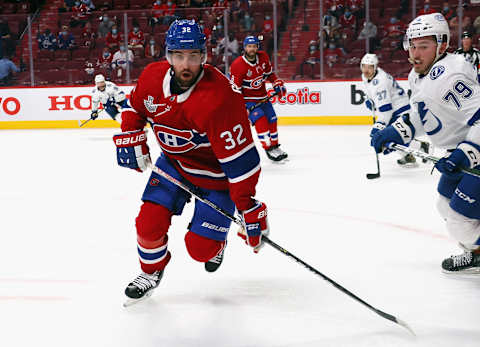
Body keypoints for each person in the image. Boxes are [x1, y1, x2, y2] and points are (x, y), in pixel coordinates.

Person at [112, 19, 269, 305]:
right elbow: (135, 108)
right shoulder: (151, 78)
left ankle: (216, 245)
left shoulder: (221, 98)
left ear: (204, 56)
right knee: (147, 225)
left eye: (193, 56)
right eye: (179, 56)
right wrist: (131, 133)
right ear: (168, 56)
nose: (186, 64)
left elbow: (241, 163)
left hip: (217, 179)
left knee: (200, 250)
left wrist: (247, 206)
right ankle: (150, 273)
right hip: (173, 166)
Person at [371, 13, 480, 273]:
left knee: (459, 216)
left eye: (424, 46)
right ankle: (476, 252)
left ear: (441, 45)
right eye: (413, 45)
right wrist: (397, 131)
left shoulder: (450, 76)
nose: (415, 53)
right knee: (445, 204)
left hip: (474, 153)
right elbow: (423, 115)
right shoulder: (417, 75)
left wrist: (466, 154)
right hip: (461, 152)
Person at [360, 53, 427, 167]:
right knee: (390, 137)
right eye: (364, 66)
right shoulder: (367, 76)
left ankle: (418, 148)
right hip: (394, 108)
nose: (366, 70)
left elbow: (386, 112)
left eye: (369, 67)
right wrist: (369, 99)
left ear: (375, 67)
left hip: (399, 110)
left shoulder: (380, 82)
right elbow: (370, 90)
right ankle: (415, 150)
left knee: (390, 136)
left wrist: (378, 126)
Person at [229, 35, 288, 162]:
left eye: (254, 46)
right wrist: (241, 107)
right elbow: (235, 90)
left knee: (272, 119)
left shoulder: (263, 57)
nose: (252, 49)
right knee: (261, 120)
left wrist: (277, 83)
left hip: (263, 97)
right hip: (248, 101)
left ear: (257, 47)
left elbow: (270, 74)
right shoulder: (238, 65)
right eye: (249, 46)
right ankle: (268, 148)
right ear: (245, 48)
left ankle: (275, 146)